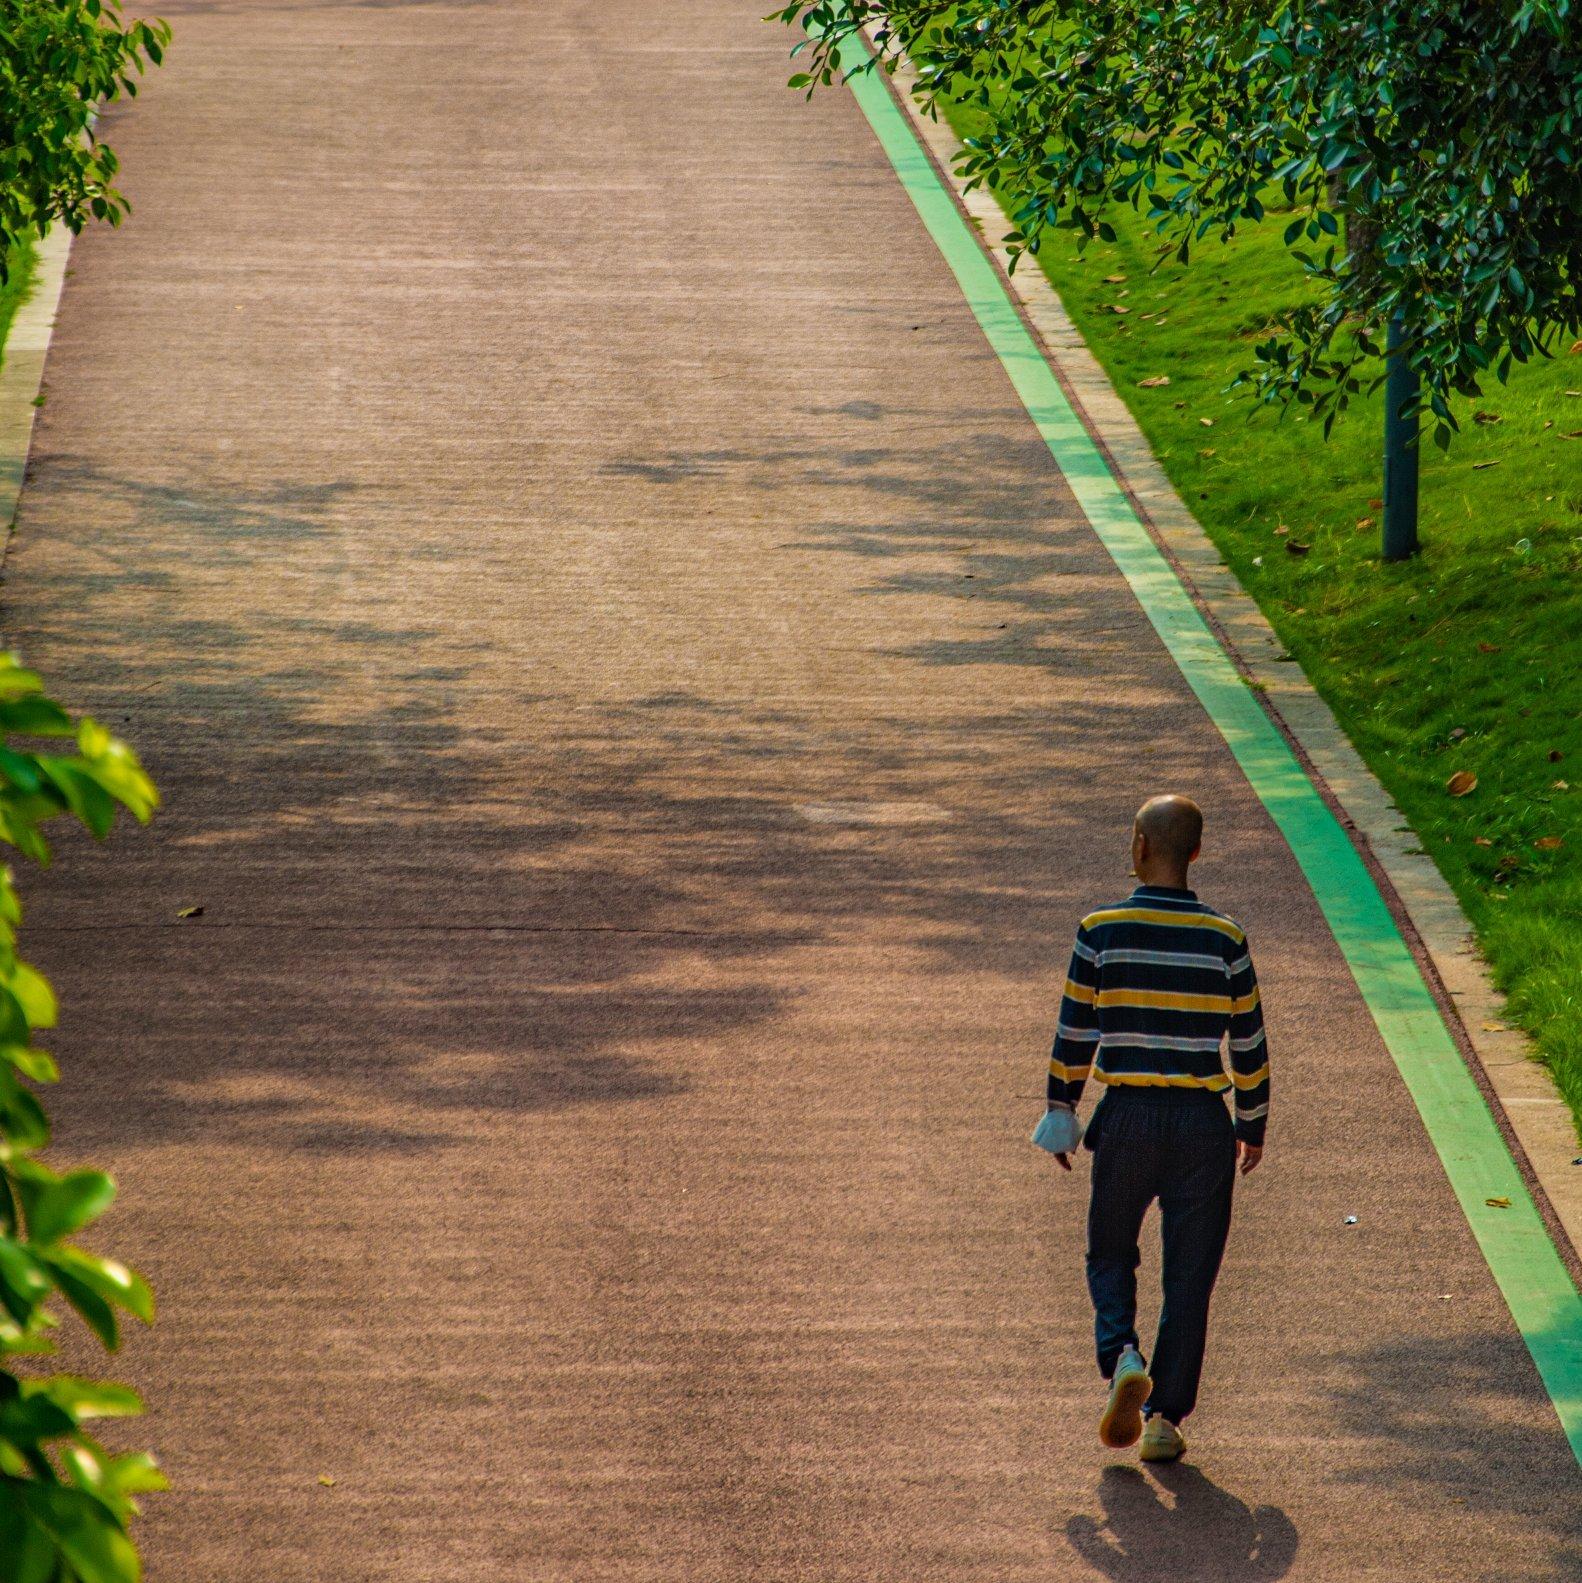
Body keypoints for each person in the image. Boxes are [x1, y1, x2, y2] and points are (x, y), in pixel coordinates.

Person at [1041, 794, 1268, 1463]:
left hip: (1129, 1115)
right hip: (1203, 1123)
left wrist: (1062, 1111)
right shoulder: (1225, 937)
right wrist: (1251, 1121)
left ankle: (1123, 1357)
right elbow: (1250, 1042)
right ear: (1195, 852)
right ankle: (1166, 1416)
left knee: (1110, 1250)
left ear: (1138, 845)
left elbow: (1075, 1028)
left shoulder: (1100, 928)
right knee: (1190, 1274)